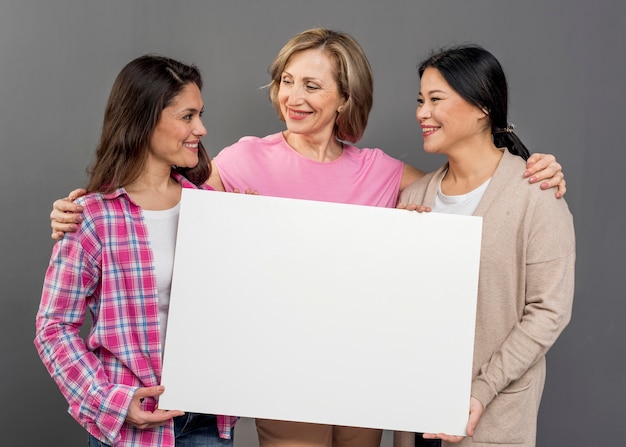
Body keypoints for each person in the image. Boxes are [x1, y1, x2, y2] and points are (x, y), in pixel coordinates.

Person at [47, 29, 567, 447]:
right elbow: (157, 202)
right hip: (283, 380)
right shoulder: (241, 160)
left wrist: (534, 167)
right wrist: (79, 208)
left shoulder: (383, 173)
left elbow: (459, 189)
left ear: (345, 98)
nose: (293, 97)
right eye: (287, 81)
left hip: (365, 375)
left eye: (312, 86)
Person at [34, 55, 237, 447]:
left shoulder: (213, 208)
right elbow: (53, 328)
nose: (202, 128)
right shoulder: (91, 217)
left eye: (200, 115)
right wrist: (110, 401)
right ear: (145, 119)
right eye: (187, 116)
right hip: (132, 429)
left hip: (208, 423)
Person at [394, 45, 575, 447]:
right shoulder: (415, 196)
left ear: (482, 106)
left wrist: (481, 389)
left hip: (491, 418)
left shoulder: (535, 191)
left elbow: (549, 310)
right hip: (418, 414)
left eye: (436, 100)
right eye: (420, 101)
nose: (422, 112)